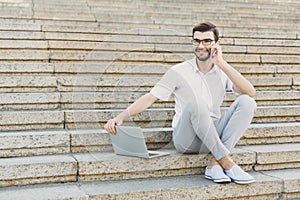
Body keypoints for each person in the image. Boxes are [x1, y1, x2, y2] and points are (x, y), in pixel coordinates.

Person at [104, 22, 257, 184]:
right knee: (195, 104)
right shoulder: (179, 71)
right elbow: (150, 97)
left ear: (217, 44)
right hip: (187, 138)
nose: (201, 45)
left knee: (247, 102)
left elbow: (250, 92)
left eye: (207, 41)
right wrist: (120, 117)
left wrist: (221, 63)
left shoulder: (222, 71)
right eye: (196, 41)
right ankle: (226, 162)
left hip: (213, 133)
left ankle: (214, 163)